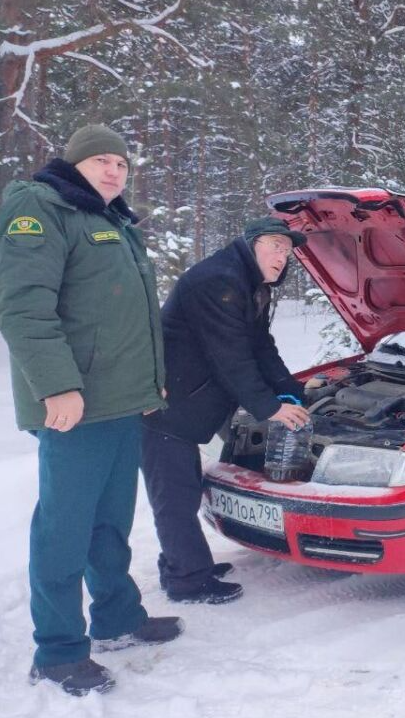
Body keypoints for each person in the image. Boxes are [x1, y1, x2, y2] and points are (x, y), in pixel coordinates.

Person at [0, 124, 183, 696]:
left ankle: (117, 616)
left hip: (121, 401)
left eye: (122, 164)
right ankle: (57, 651)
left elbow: (119, 313)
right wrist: (56, 386)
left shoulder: (111, 221)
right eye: (101, 160)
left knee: (111, 520)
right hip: (74, 405)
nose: (113, 171)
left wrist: (153, 382)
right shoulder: (39, 206)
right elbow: (25, 306)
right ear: (73, 164)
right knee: (64, 528)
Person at [141, 216, 310, 604]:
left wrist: (291, 391)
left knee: (181, 489)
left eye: (287, 250)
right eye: (274, 245)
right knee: (175, 495)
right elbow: (230, 356)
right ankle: (186, 580)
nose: (282, 256)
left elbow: (260, 345)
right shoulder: (219, 280)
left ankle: (188, 561)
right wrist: (268, 408)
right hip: (168, 405)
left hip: (193, 402)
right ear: (250, 244)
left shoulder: (249, 283)